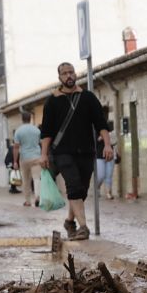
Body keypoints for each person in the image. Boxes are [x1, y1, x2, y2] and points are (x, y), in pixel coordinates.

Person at [40, 62, 113, 240]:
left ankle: (69, 221)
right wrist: (44, 154)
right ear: (59, 78)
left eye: (71, 72)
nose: (68, 76)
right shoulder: (52, 101)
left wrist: (108, 145)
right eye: (64, 73)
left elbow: (100, 123)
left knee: (81, 190)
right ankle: (83, 227)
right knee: (73, 186)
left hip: (87, 151)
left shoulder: (88, 97)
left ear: (76, 74)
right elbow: (47, 132)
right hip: (62, 152)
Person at [11, 108, 44, 206]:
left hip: (24, 158)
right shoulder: (36, 130)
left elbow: (16, 147)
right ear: (30, 119)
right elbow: (42, 143)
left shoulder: (18, 131)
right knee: (37, 178)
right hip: (36, 157)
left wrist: (15, 161)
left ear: (22, 119)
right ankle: (38, 197)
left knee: (26, 180)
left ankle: (28, 201)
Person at [94, 107, 118, 200]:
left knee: (109, 175)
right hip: (99, 155)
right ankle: (97, 187)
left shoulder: (109, 125)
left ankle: (108, 193)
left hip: (110, 154)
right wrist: (101, 137)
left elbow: (114, 141)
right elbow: (93, 141)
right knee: (100, 175)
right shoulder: (95, 126)